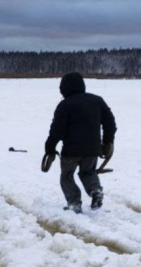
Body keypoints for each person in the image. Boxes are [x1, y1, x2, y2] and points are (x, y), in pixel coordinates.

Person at [45, 72, 116, 213]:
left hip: (71, 151)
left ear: (63, 89)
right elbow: (110, 123)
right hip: (92, 150)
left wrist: (50, 148)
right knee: (88, 172)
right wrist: (108, 141)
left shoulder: (64, 105)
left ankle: (74, 203)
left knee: (66, 176)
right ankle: (95, 191)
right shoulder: (97, 101)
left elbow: (56, 131)